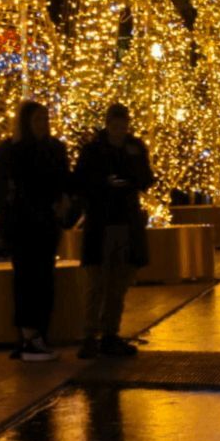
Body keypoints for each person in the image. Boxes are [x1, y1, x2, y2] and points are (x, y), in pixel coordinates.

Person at [0, 101, 73, 362]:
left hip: (45, 224)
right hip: (23, 226)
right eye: (37, 120)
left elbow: (63, 182)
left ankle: (37, 335)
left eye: (45, 119)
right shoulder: (13, 152)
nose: (43, 125)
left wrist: (62, 204)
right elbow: (0, 189)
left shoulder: (53, 149)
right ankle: (29, 337)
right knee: (27, 279)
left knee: (43, 279)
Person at [74, 103, 153, 359]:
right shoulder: (94, 149)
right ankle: (89, 335)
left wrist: (131, 179)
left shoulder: (134, 148)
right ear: (108, 124)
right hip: (102, 221)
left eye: (123, 125)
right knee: (97, 281)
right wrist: (103, 183)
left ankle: (109, 333)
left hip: (125, 220)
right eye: (115, 125)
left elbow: (146, 178)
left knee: (118, 282)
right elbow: (81, 180)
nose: (120, 130)